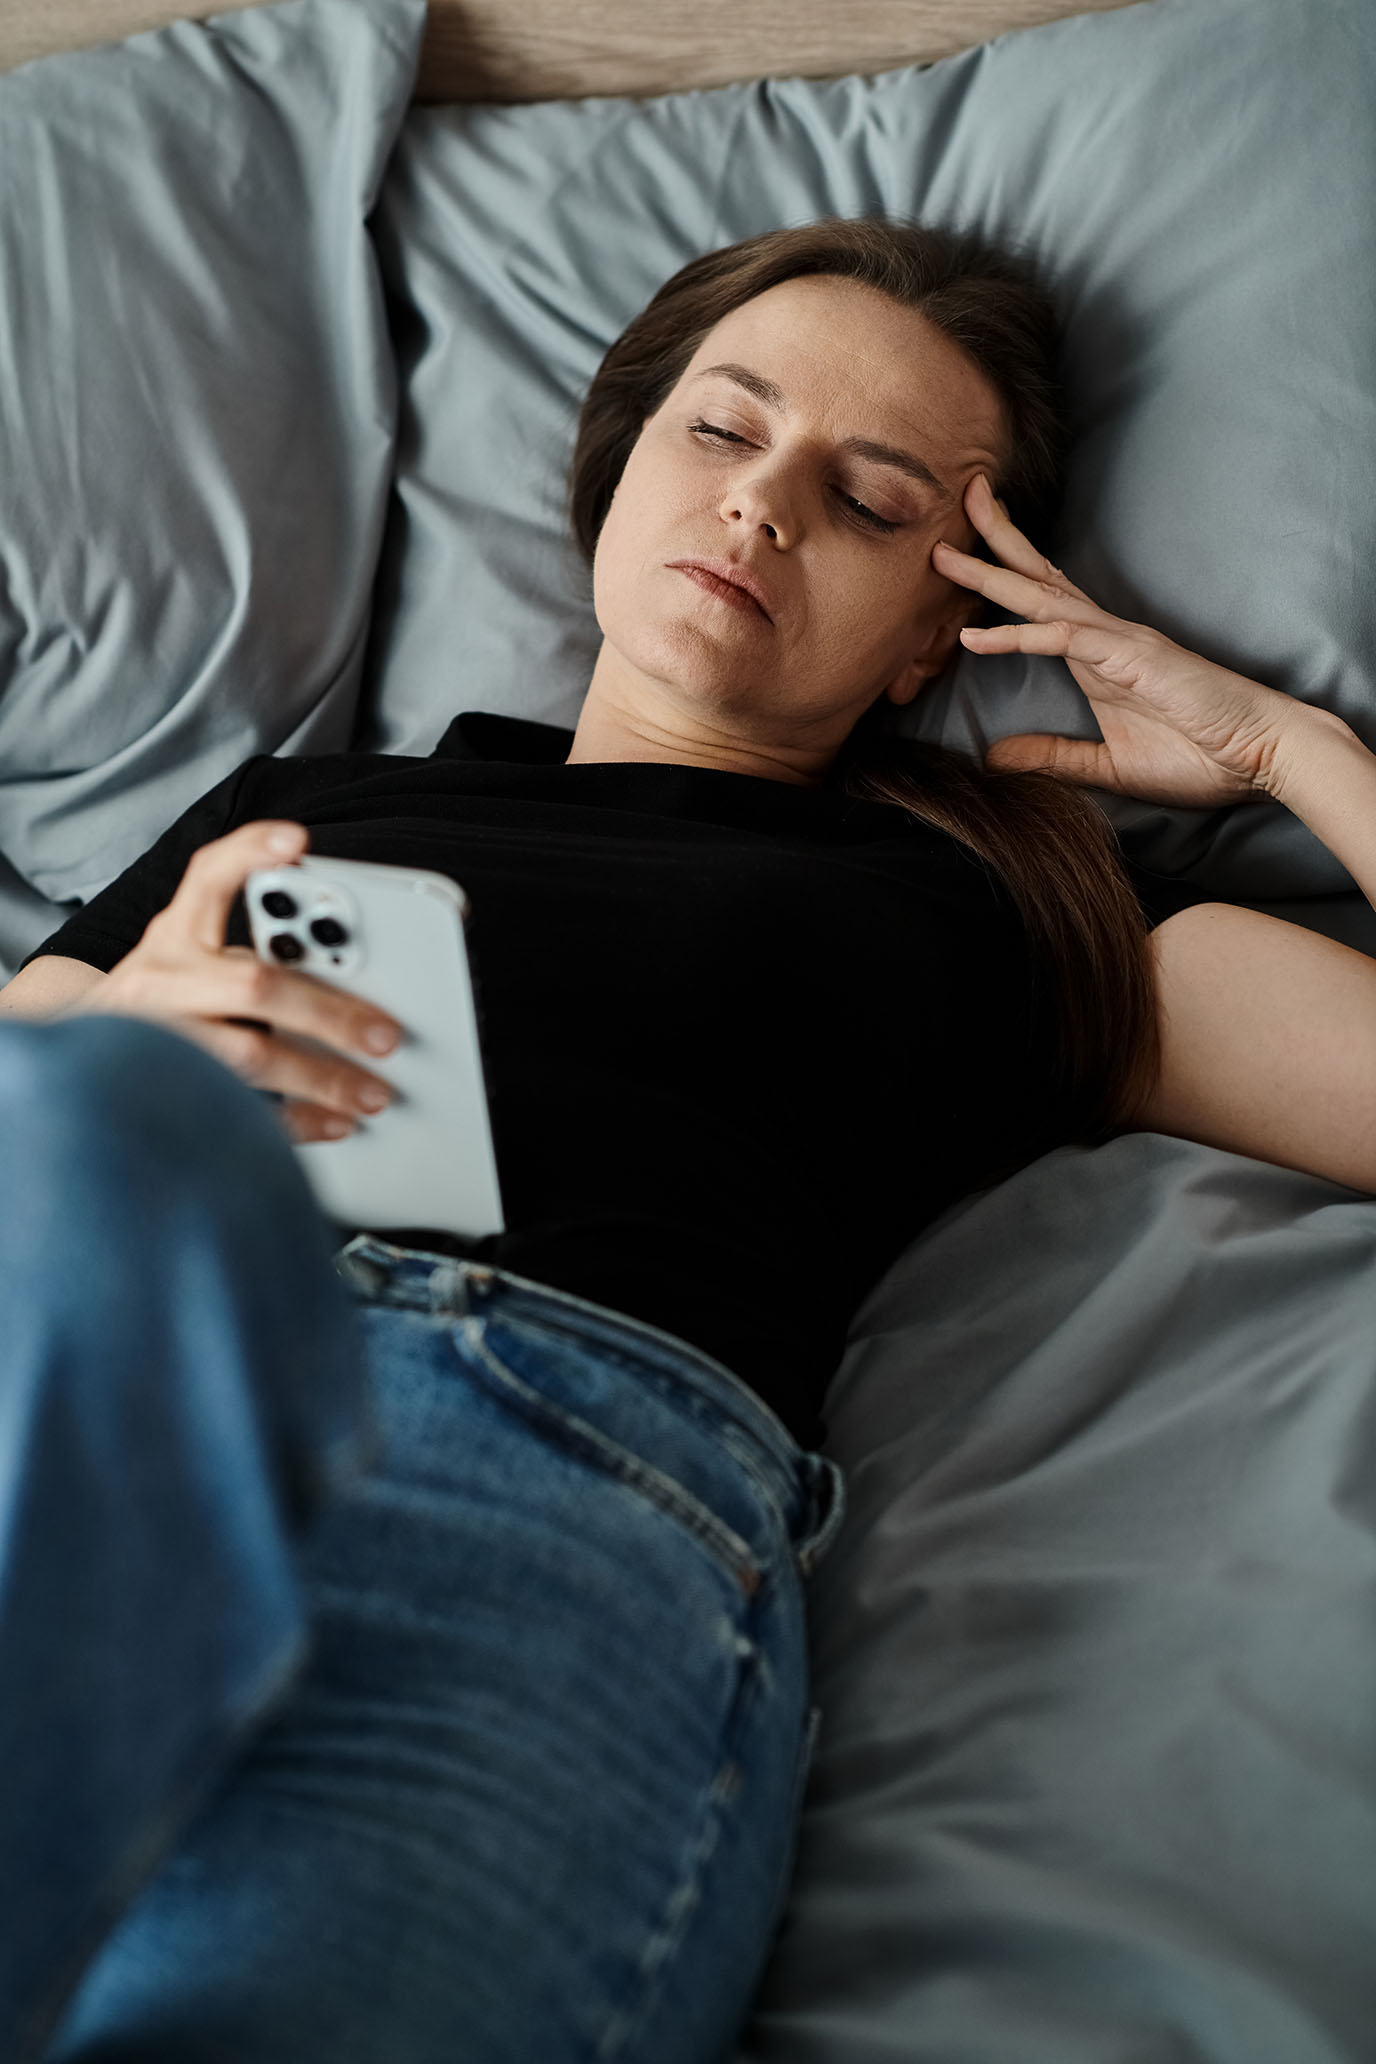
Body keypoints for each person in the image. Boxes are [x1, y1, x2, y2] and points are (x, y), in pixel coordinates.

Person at [3, 216, 1375, 2063]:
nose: (763, 507)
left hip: (525, 1456)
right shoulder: (311, 799)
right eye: (723, 433)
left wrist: (1286, 751)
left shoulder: (1005, 907)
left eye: (872, 500)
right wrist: (136, 1023)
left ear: (928, 645)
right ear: (621, 469)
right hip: (106, 1327)